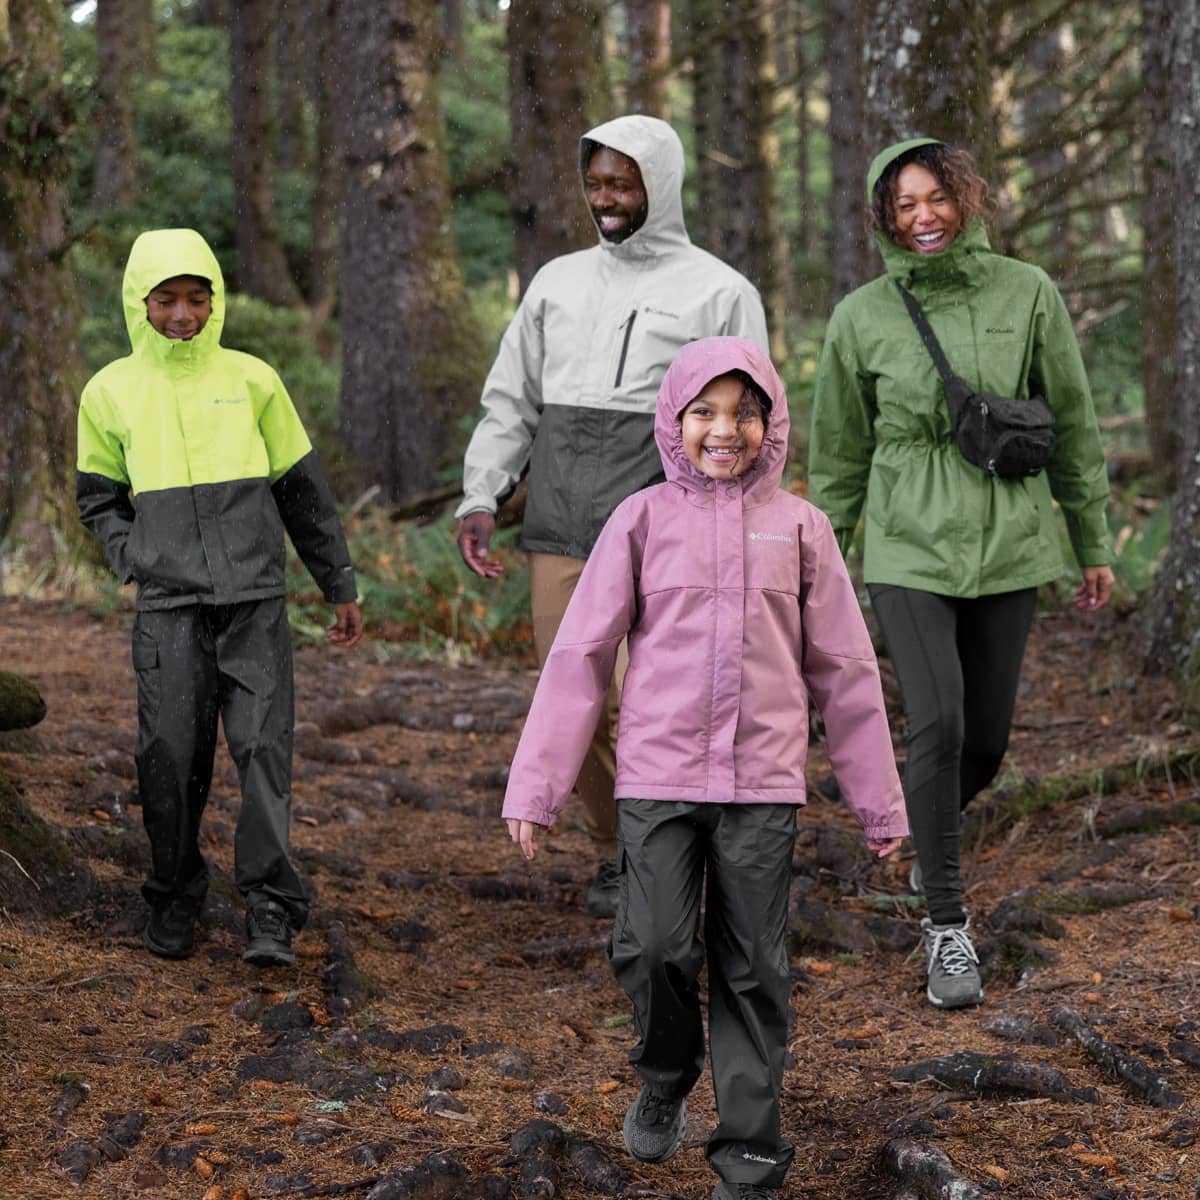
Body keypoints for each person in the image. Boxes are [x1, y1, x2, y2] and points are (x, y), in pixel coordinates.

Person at [502, 337, 907, 1200]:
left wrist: (879, 805)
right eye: (706, 414)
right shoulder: (641, 520)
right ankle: (664, 1071)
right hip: (655, 776)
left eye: (745, 413)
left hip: (762, 784)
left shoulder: (800, 526)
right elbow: (580, 655)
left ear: (772, 423)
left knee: (754, 965)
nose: (726, 431)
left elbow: (846, 670)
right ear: (674, 422)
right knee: (653, 945)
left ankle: (751, 1157)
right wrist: (537, 787)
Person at [808, 138, 1113, 1010]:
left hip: (1012, 541)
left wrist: (1091, 539)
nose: (923, 217)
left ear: (967, 199)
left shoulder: (1028, 292)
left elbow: (1076, 423)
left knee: (987, 741)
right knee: (936, 719)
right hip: (907, 543)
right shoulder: (861, 316)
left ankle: (906, 822)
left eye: (936, 197)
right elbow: (836, 453)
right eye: (904, 204)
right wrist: (817, 569)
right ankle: (946, 925)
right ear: (884, 217)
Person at [456, 115, 768, 917]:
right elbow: (511, 399)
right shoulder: (557, 283)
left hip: (666, 529)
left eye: (622, 185)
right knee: (574, 692)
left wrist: (741, 527)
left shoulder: (719, 290)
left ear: (658, 186)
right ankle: (617, 850)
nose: (607, 199)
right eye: (596, 184)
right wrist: (483, 492)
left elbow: (755, 416)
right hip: (560, 521)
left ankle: (667, 852)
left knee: (648, 701)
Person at [76, 228, 363, 966]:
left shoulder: (254, 380)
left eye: (196, 300)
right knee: (170, 755)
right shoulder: (110, 391)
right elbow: (98, 498)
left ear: (216, 302)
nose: (181, 315)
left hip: (255, 601)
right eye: (165, 301)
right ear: (140, 304)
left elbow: (304, 493)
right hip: (169, 608)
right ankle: (173, 893)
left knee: (264, 748)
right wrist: (133, 554)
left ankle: (269, 905)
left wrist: (338, 582)